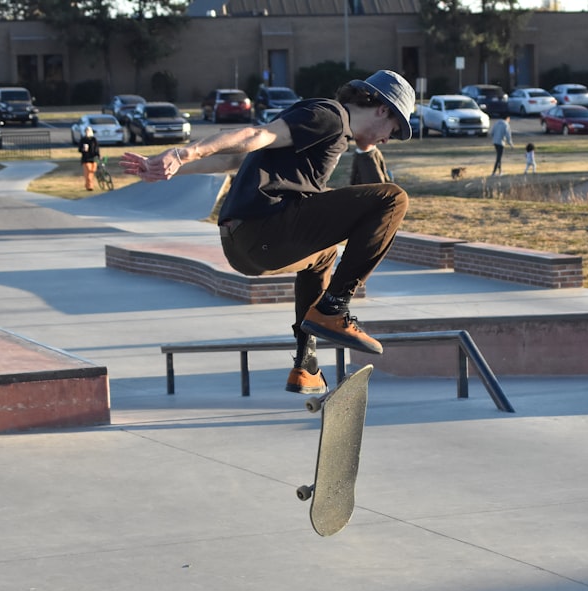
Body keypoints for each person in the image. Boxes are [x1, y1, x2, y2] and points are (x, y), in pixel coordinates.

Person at [119, 70, 416, 396]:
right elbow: (254, 135)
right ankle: (334, 308)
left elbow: (235, 157)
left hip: (243, 243)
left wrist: (172, 168)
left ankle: (306, 365)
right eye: (395, 129)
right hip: (265, 229)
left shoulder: (328, 131)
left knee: (324, 255)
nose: (389, 138)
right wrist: (182, 153)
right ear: (382, 109)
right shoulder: (328, 116)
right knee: (393, 199)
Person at [79, 126, 100, 191]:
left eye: (88, 131)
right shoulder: (83, 140)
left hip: (94, 158)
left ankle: (88, 184)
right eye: (86, 131)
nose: (87, 132)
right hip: (86, 159)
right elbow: (79, 149)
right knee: (88, 172)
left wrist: (98, 156)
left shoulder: (94, 139)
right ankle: (90, 186)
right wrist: (83, 149)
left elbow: (97, 149)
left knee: (92, 171)